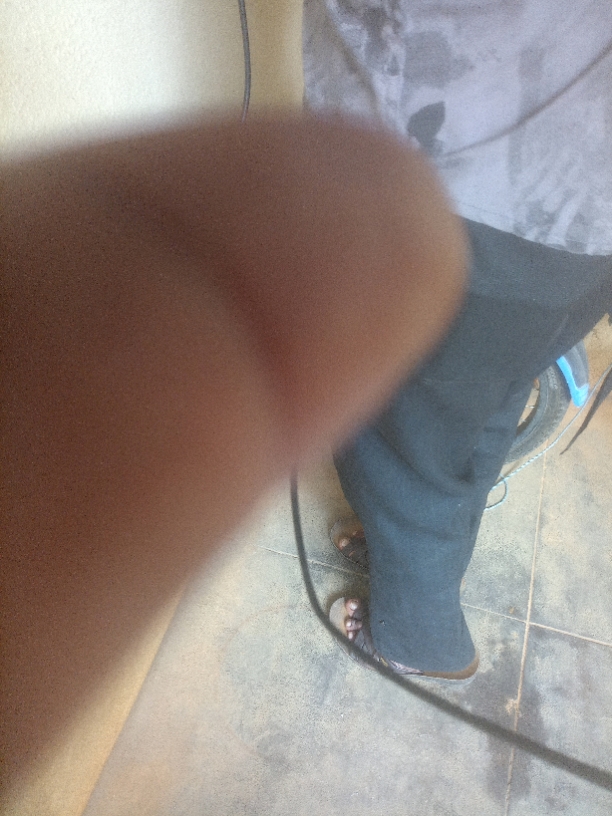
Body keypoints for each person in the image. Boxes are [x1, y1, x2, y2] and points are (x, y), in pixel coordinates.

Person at [1, 115, 466, 788]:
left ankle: (418, 640)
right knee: (458, 427)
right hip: (570, 235)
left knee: (417, 436)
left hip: (494, 212)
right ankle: (402, 560)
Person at [303, 0, 612, 679]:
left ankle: (420, 640)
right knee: (481, 404)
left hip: (468, 199)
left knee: (399, 437)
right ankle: (416, 560)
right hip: (583, 215)